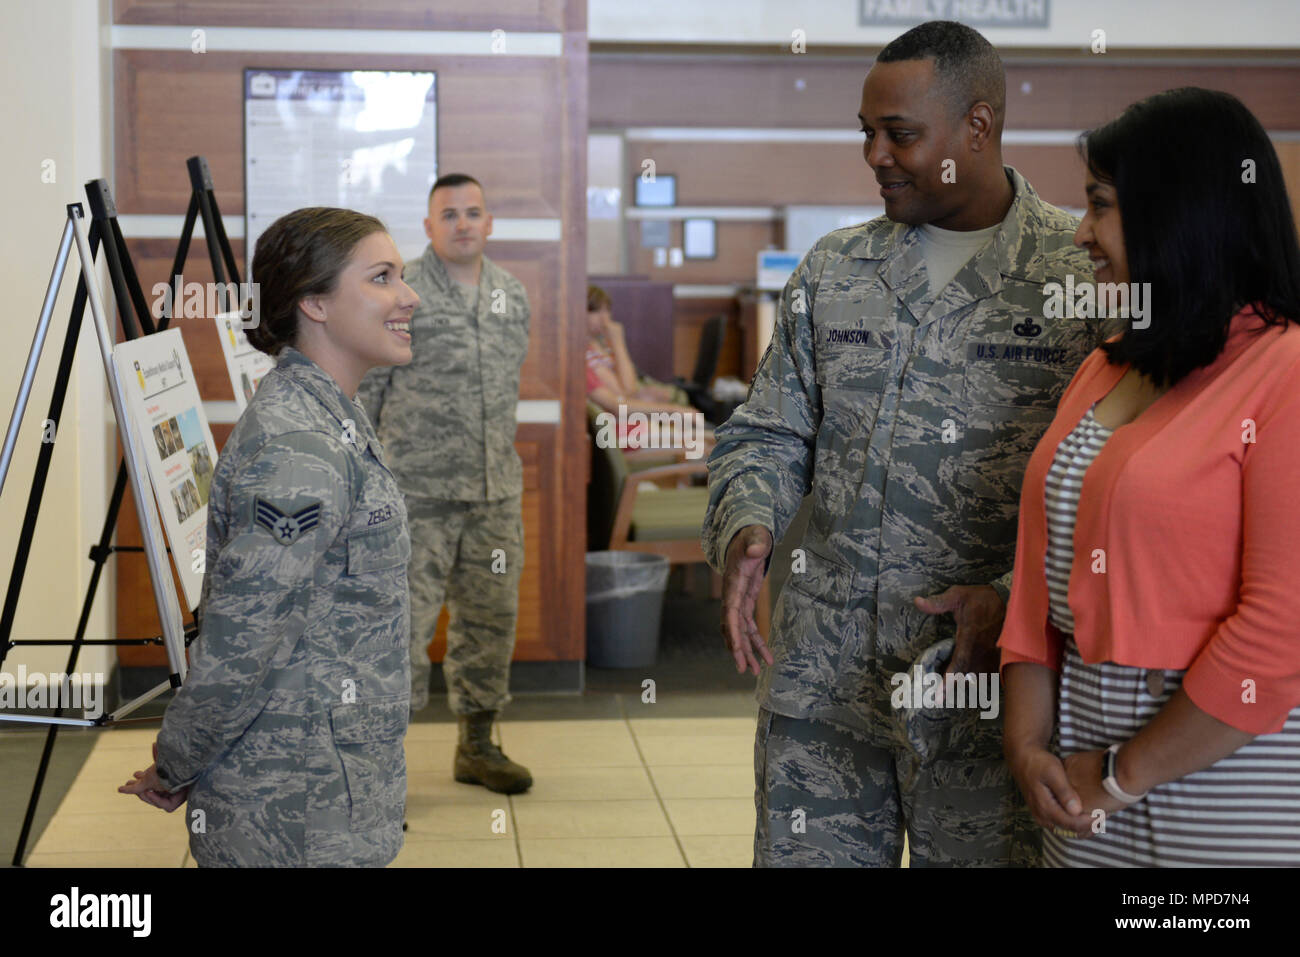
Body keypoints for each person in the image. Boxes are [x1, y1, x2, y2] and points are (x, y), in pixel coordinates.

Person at [702, 20, 1105, 867]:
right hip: (826, 686)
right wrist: (750, 522)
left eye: (901, 135)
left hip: (989, 689)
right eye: (866, 133)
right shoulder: (834, 270)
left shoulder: (1081, 279)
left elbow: (1109, 490)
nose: (876, 155)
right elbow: (771, 428)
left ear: (979, 127)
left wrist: (1007, 591)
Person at [999, 88, 1300, 867]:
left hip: (1219, 791)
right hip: (1078, 791)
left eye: (1100, 205)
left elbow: (1279, 629)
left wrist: (1121, 773)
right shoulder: (1108, 363)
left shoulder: (1284, 371)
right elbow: (1040, 586)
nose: (1082, 233)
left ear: (1181, 213)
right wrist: (1029, 745)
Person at [119, 206, 419, 867]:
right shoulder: (299, 448)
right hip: (291, 811)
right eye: (382, 277)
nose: (409, 295)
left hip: (331, 785)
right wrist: (177, 762)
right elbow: (242, 641)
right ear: (313, 300)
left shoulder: (331, 416)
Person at [357, 173, 533, 794]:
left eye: (473, 212)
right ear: (429, 227)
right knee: (400, 630)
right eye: (449, 214)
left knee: (490, 620)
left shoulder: (511, 294)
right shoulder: (399, 293)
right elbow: (369, 390)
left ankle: (478, 746)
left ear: (490, 223)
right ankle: (380, 770)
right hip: (417, 496)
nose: (463, 223)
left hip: (494, 495)